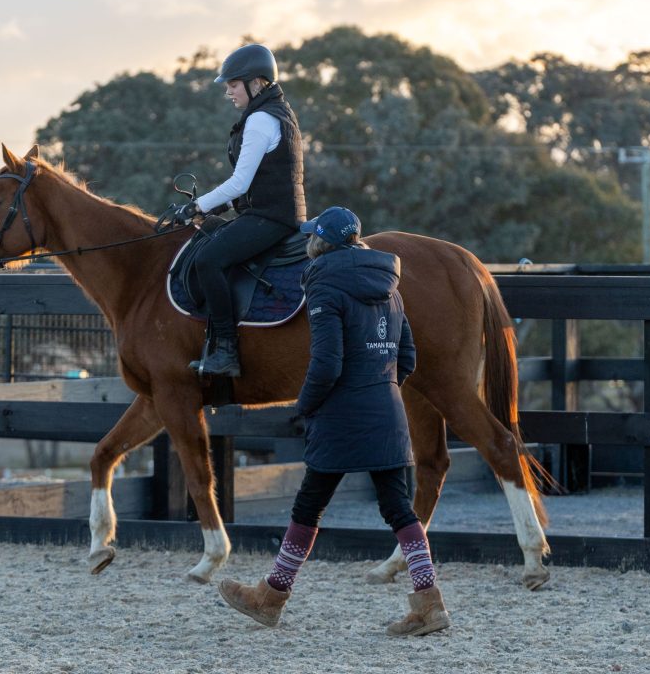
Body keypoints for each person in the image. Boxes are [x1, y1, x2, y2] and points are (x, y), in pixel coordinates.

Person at [217, 206, 451, 637]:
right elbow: (408, 357)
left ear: (320, 243)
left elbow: (326, 363)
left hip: (341, 415)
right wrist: (381, 390)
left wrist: (305, 406)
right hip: (386, 410)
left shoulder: (324, 287)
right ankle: (429, 603)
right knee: (398, 508)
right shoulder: (391, 289)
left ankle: (271, 597)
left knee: (309, 506)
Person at [164, 43, 306, 377]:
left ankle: (225, 350)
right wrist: (210, 209)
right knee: (211, 237)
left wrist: (196, 205)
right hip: (269, 213)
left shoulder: (260, 120)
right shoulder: (275, 112)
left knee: (208, 260)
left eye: (233, 83)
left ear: (256, 82)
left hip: (272, 218)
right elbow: (253, 183)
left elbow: (240, 182)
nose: (228, 90)